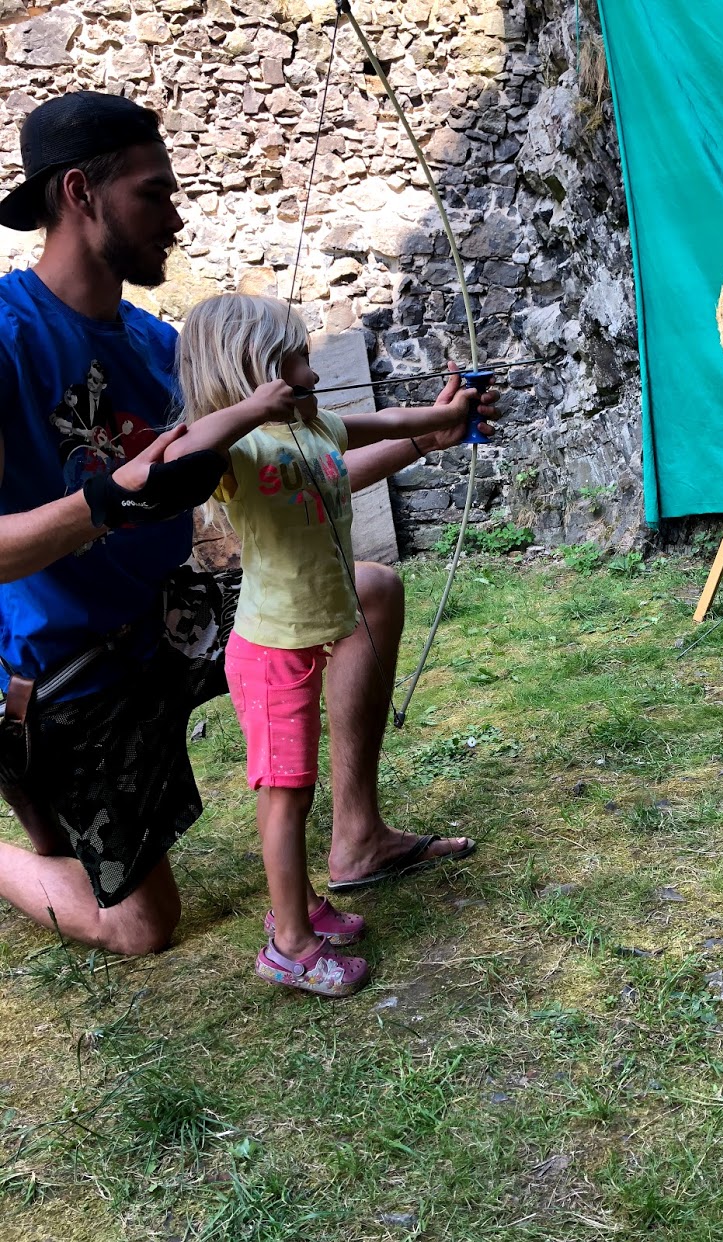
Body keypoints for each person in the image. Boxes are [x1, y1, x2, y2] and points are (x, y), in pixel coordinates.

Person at [0, 90, 498, 957]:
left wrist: (426, 436)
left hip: (167, 616)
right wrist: (106, 502)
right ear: (80, 193)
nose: (176, 217)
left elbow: (289, 476)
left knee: (368, 591)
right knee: (142, 927)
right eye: (154, 193)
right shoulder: (8, 338)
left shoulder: (158, 348)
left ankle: (356, 839)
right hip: (66, 663)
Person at [166, 293, 487, 997]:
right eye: (295, 362)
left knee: (296, 788)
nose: (311, 374)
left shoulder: (315, 429)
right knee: (286, 795)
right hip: (269, 651)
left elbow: (391, 423)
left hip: (308, 638)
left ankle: (302, 906)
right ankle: (290, 944)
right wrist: (253, 408)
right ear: (255, 371)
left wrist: (448, 417)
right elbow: (180, 452)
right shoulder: (234, 449)